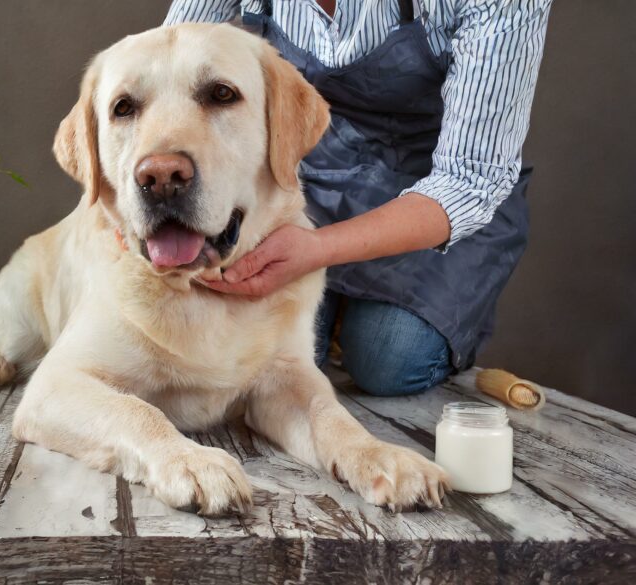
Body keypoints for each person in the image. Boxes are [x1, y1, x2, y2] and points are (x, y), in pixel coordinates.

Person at [165, 0, 552, 396]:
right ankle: (332, 306)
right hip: (310, 170)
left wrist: (316, 248)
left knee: (388, 357)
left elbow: (469, 178)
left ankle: (349, 309)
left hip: (431, 190)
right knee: (252, 356)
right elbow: (166, 60)